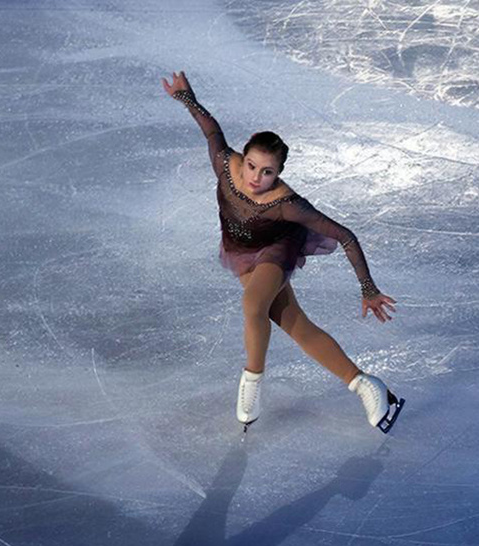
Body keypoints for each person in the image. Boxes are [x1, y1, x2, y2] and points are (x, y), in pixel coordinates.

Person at [162, 70, 404, 433]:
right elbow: (211, 130)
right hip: (243, 249)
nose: (256, 178)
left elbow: (345, 235)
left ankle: (252, 383)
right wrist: (187, 98)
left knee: (252, 305)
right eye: (252, 166)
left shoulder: (287, 204)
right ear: (243, 156)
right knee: (295, 325)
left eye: (267, 172)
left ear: (278, 174)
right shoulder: (224, 166)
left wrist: (368, 288)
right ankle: (367, 385)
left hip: (278, 248)